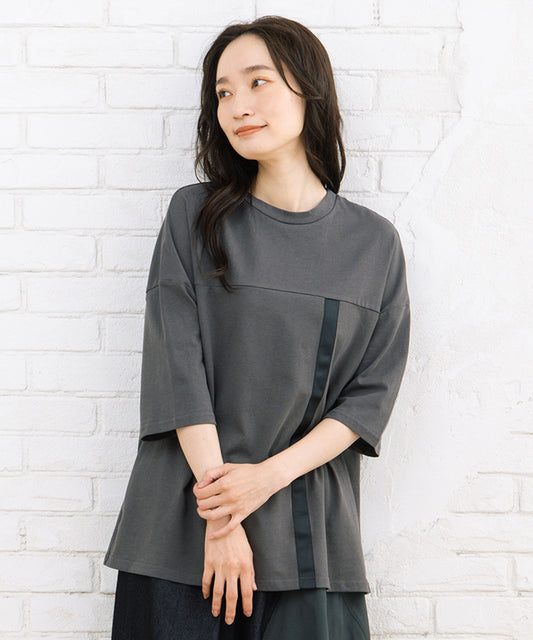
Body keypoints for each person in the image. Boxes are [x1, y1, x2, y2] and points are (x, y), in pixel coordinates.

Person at [104, 15, 410, 640]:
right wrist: (223, 519)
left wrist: (264, 479)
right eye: (223, 92)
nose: (237, 106)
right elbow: (178, 372)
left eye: (257, 82)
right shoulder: (194, 217)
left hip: (309, 540)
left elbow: (367, 400)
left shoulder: (373, 244)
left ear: (309, 89)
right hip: (182, 532)